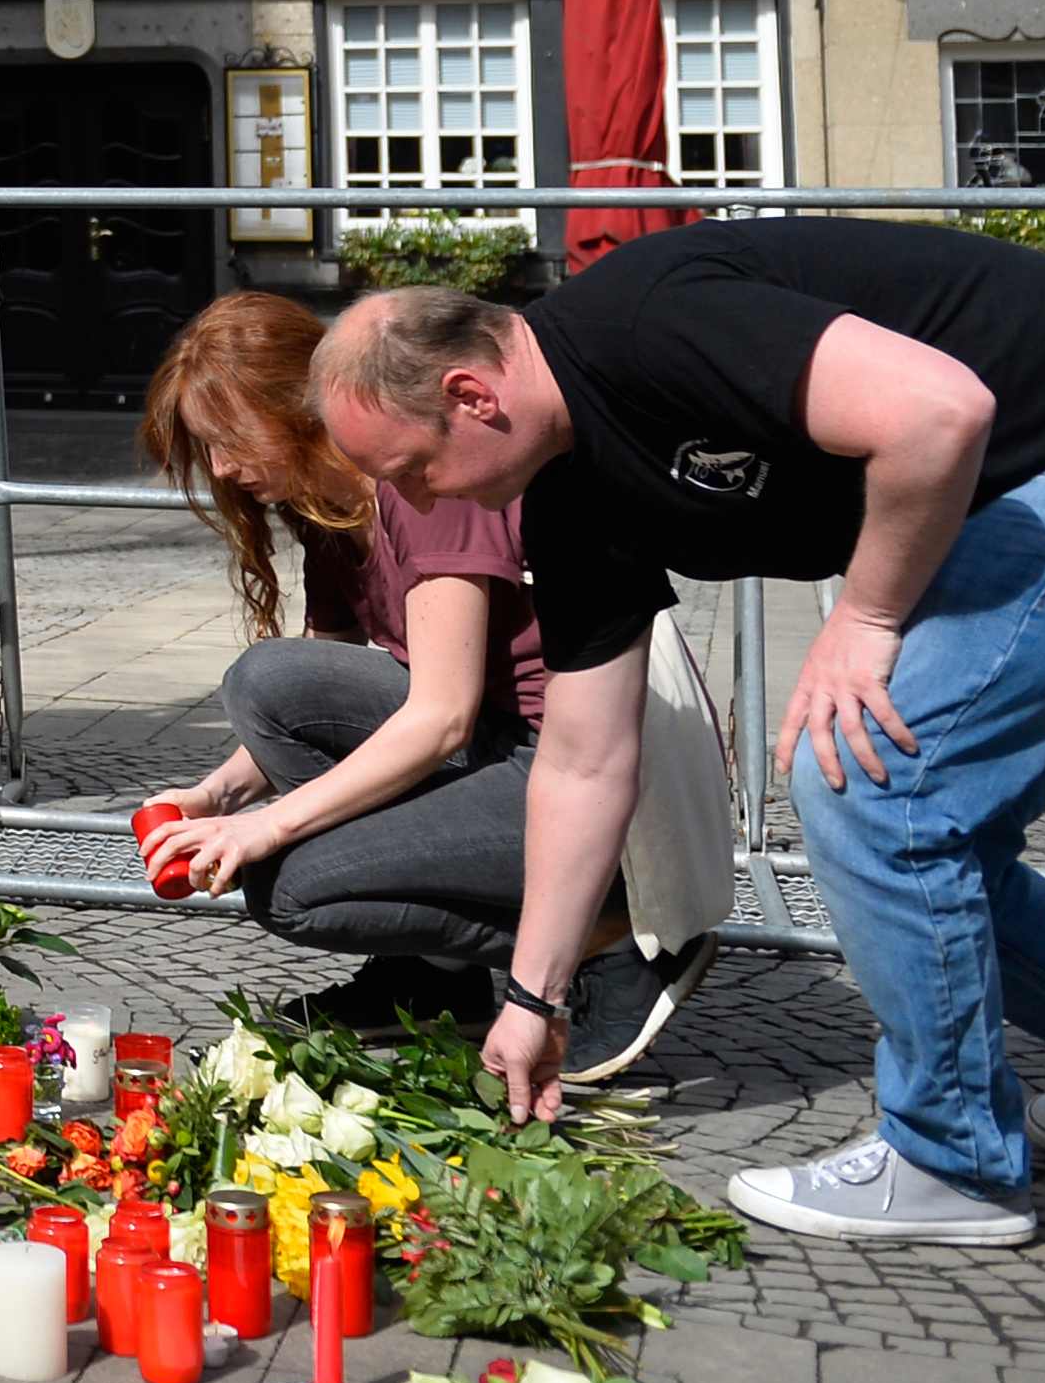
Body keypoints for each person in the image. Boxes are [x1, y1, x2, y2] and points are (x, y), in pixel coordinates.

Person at [308, 221, 1045, 1249]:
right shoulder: (567, 497)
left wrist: (865, 618)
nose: (414, 500)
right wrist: (530, 997)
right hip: (1036, 496)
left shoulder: (641, 322)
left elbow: (938, 410)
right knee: (941, 858)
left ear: (471, 397)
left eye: (414, 468)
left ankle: (952, 1160)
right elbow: (583, 759)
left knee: (871, 787)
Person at [134, 296, 710, 1077]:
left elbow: (440, 716)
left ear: (290, 406)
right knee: (266, 682)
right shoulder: (330, 511)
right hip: (497, 744)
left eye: (229, 443)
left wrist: (265, 831)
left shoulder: (423, 483)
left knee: (293, 886)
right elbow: (306, 691)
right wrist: (214, 799)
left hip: (583, 775)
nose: (227, 470)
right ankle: (436, 975)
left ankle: (611, 933)